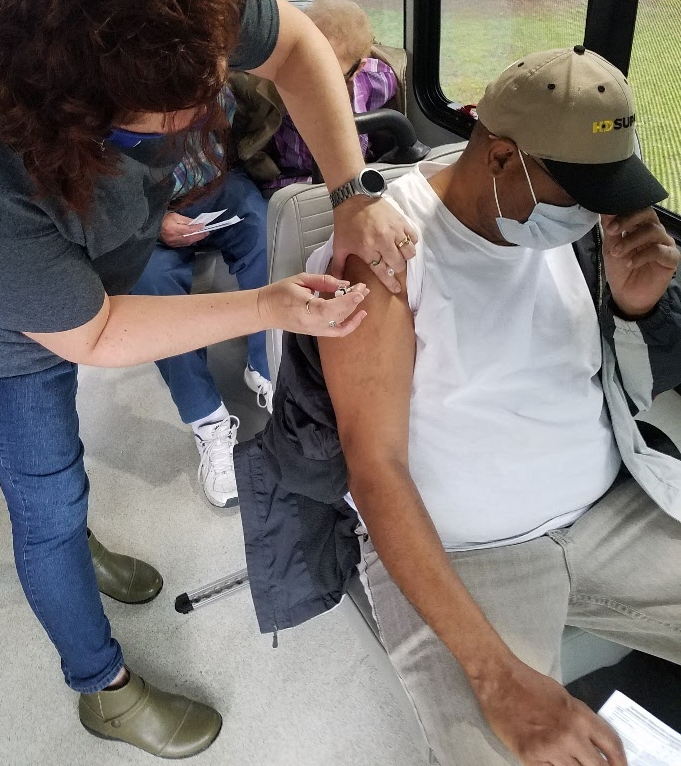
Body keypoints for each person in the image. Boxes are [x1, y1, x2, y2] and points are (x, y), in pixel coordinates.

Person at [0, 0, 411, 757]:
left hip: (70, 270)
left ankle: (74, 542)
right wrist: (266, 304)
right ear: (71, 116)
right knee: (44, 498)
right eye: (165, 122)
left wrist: (352, 194)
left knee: (58, 488)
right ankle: (98, 686)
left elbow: (297, 44)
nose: (200, 122)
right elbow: (94, 335)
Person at [239, 47, 681, 766]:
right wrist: (501, 681)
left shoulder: (586, 236)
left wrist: (639, 307)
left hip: (612, 516)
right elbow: (373, 467)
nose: (606, 211)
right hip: (471, 556)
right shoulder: (386, 256)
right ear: (503, 157)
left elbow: (633, 377)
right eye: (582, 191)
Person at [129, 85, 273, 509]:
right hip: (147, 210)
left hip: (217, 185)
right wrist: (155, 222)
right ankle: (207, 419)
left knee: (268, 236)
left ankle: (267, 367)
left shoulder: (209, 71)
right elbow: (91, 187)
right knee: (152, 290)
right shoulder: (103, 95)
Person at [231, 0, 404, 192]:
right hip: (287, 182)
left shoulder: (380, 81)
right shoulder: (259, 82)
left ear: (357, 69)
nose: (312, 85)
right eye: (303, 68)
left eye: (329, 75)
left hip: (352, 177)